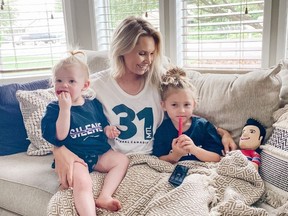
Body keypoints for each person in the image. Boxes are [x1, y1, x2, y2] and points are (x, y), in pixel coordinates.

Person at [52, 16, 237, 190]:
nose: (148, 60)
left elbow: (183, 110)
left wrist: (222, 133)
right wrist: (58, 149)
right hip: (113, 162)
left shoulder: (160, 82)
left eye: (151, 54)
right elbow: (64, 114)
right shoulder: (96, 85)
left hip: (153, 160)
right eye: (141, 53)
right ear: (122, 49)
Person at [41, 50, 129, 215]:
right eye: (58, 80)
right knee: (83, 183)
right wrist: (65, 109)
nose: (64, 85)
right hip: (74, 158)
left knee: (121, 160)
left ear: (85, 86)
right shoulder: (54, 108)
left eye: (71, 81)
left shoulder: (93, 104)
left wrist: (108, 130)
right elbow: (59, 136)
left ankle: (105, 196)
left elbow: (102, 125)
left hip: (98, 153)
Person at [152, 67, 223, 163]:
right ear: (163, 105)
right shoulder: (162, 129)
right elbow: (158, 159)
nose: (181, 110)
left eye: (186, 105)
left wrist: (194, 149)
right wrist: (175, 155)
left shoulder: (204, 126)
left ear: (194, 105)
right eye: (174, 105)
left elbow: (216, 157)